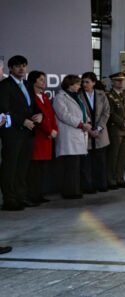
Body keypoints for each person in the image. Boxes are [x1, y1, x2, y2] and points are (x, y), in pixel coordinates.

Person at [0, 55, 40, 210]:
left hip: (28, 133)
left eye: (24, 65)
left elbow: (33, 106)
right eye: (18, 66)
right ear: (10, 68)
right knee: (10, 167)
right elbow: (4, 108)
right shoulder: (4, 86)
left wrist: (40, 115)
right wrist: (22, 121)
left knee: (23, 167)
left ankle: (21, 197)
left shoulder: (28, 84)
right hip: (12, 133)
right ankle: (9, 200)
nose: (22, 69)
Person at [53, 74, 90, 200]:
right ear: (70, 85)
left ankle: (75, 189)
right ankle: (69, 191)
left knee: (76, 166)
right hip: (68, 135)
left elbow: (83, 112)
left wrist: (87, 122)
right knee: (70, 166)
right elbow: (64, 115)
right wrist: (80, 124)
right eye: (78, 84)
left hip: (78, 133)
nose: (80, 86)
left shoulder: (76, 97)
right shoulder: (60, 97)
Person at [27, 70, 58, 204]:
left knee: (42, 169)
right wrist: (49, 131)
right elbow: (36, 118)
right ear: (33, 81)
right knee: (35, 169)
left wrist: (55, 130)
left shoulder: (44, 96)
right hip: (38, 138)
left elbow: (51, 116)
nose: (44, 82)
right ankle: (33, 195)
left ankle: (39, 194)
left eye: (44, 79)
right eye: (41, 80)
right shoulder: (30, 97)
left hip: (48, 138)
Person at [80, 72, 110, 194]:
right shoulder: (79, 95)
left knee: (101, 161)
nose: (84, 84)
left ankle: (102, 184)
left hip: (100, 134)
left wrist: (98, 128)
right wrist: (89, 130)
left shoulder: (101, 94)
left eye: (87, 82)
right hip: (86, 132)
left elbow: (106, 113)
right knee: (87, 163)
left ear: (93, 82)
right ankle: (88, 186)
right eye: (83, 82)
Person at [106, 72, 125, 189]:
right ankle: (111, 180)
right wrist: (123, 123)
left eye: (122, 80)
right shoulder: (109, 95)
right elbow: (111, 113)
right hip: (115, 129)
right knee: (114, 155)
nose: (120, 82)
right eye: (118, 80)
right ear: (112, 82)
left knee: (123, 155)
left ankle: (120, 178)